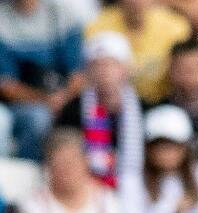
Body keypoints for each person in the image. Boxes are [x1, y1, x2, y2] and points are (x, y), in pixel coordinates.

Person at [0, 0, 85, 162]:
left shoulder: (63, 15)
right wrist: (45, 101)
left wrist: (62, 98)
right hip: (17, 107)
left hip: (64, 98)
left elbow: (78, 74)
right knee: (36, 118)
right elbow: (6, 85)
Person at [85, 0, 189, 103]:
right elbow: (89, 77)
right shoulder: (98, 27)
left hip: (160, 104)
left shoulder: (176, 28)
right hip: (110, 106)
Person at [24, 125, 124, 213]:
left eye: (71, 162)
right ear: (48, 167)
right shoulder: (34, 204)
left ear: (86, 162)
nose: (66, 171)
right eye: (59, 164)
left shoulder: (107, 199)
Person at [56, 31, 144, 189]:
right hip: (87, 185)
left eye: (111, 64)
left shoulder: (144, 109)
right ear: (88, 72)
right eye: (97, 66)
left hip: (136, 185)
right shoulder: (72, 111)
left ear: (126, 69)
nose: (104, 72)